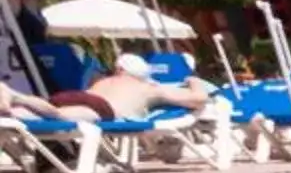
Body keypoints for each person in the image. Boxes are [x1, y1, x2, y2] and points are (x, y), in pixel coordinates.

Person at [46, 52, 215, 120]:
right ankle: (22, 101)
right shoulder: (149, 88)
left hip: (72, 95)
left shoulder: (102, 81)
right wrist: (194, 81)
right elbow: (200, 99)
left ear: (119, 69)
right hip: (102, 109)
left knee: (42, 112)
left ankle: (23, 103)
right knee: (57, 115)